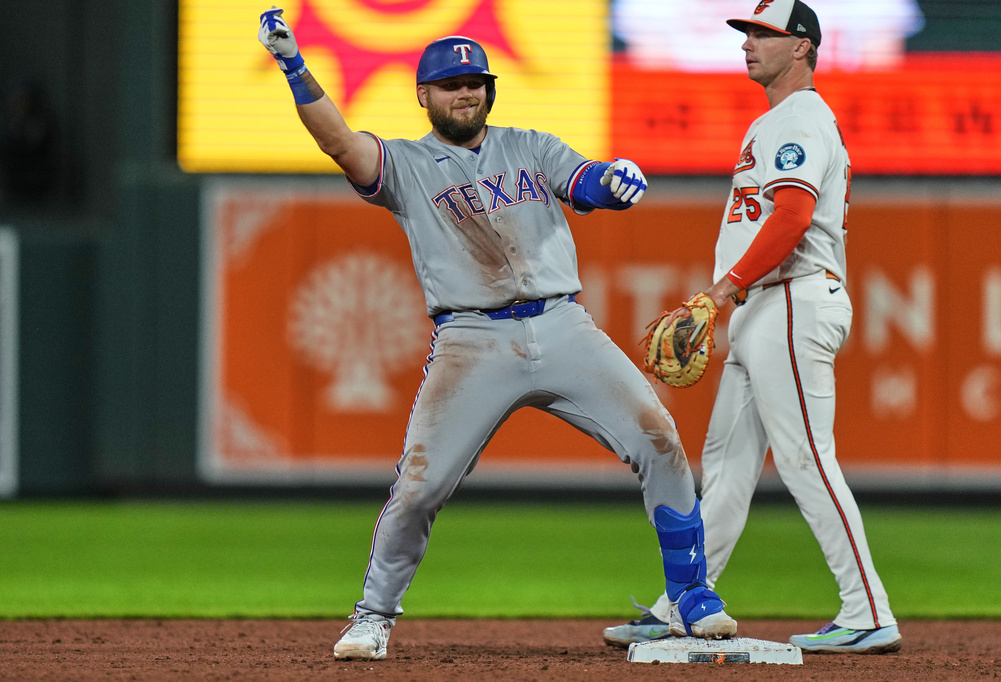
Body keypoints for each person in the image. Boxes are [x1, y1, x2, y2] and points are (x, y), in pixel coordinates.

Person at [257, 7, 738, 661]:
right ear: (424, 95)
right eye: (452, 84)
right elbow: (340, 142)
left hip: (564, 325)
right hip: (471, 339)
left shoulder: (530, 146)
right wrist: (294, 65)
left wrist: (613, 180)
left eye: (475, 83)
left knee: (660, 441)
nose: (466, 92)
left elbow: (585, 179)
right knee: (421, 486)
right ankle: (372, 616)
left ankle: (690, 596)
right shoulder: (404, 164)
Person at [604, 0, 901, 655]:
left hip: (790, 300)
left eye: (764, 34)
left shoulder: (798, 118)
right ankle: (682, 602)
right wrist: (736, 299)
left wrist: (724, 290)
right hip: (766, 308)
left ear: (802, 47)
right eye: (747, 33)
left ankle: (869, 609)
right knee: (729, 467)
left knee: (806, 458)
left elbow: (792, 217)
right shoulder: (776, 120)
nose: (749, 44)